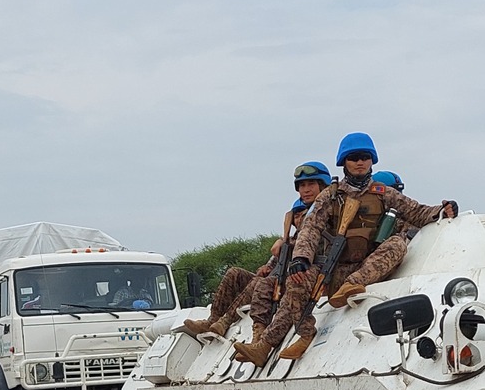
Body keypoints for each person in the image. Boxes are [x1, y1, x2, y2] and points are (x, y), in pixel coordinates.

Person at [237, 133, 456, 364]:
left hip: (365, 269)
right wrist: (301, 258)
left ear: (372, 160)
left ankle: (351, 286)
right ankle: (301, 334)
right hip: (334, 269)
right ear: (344, 162)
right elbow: (311, 228)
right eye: (353, 158)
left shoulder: (383, 193)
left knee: (397, 244)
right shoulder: (330, 197)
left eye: (364, 157)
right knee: (297, 280)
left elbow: (417, 212)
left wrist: (442, 210)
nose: (360, 162)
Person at [177, 161, 331, 339]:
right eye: (302, 186)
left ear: (322, 185)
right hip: (278, 278)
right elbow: (277, 261)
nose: (306, 190)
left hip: (300, 281)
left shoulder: (325, 218)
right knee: (234, 274)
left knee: (260, 283)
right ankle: (213, 319)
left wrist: (286, 245)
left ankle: (227, 322)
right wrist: (271, 262)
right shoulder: (294, 235)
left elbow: (313, 248)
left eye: (311, 184)